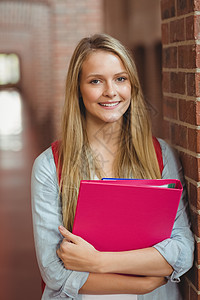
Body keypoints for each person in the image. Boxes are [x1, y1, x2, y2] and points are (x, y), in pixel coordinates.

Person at [31, 33, 194, 300]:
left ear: (132, 86)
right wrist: (142, 281)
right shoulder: (50, 166)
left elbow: (183, 252)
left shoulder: (160, 155)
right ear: (78, 89)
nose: (111, 91)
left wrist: (98, 262)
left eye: (120, 79)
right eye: (96, 81)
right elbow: (55, 272)